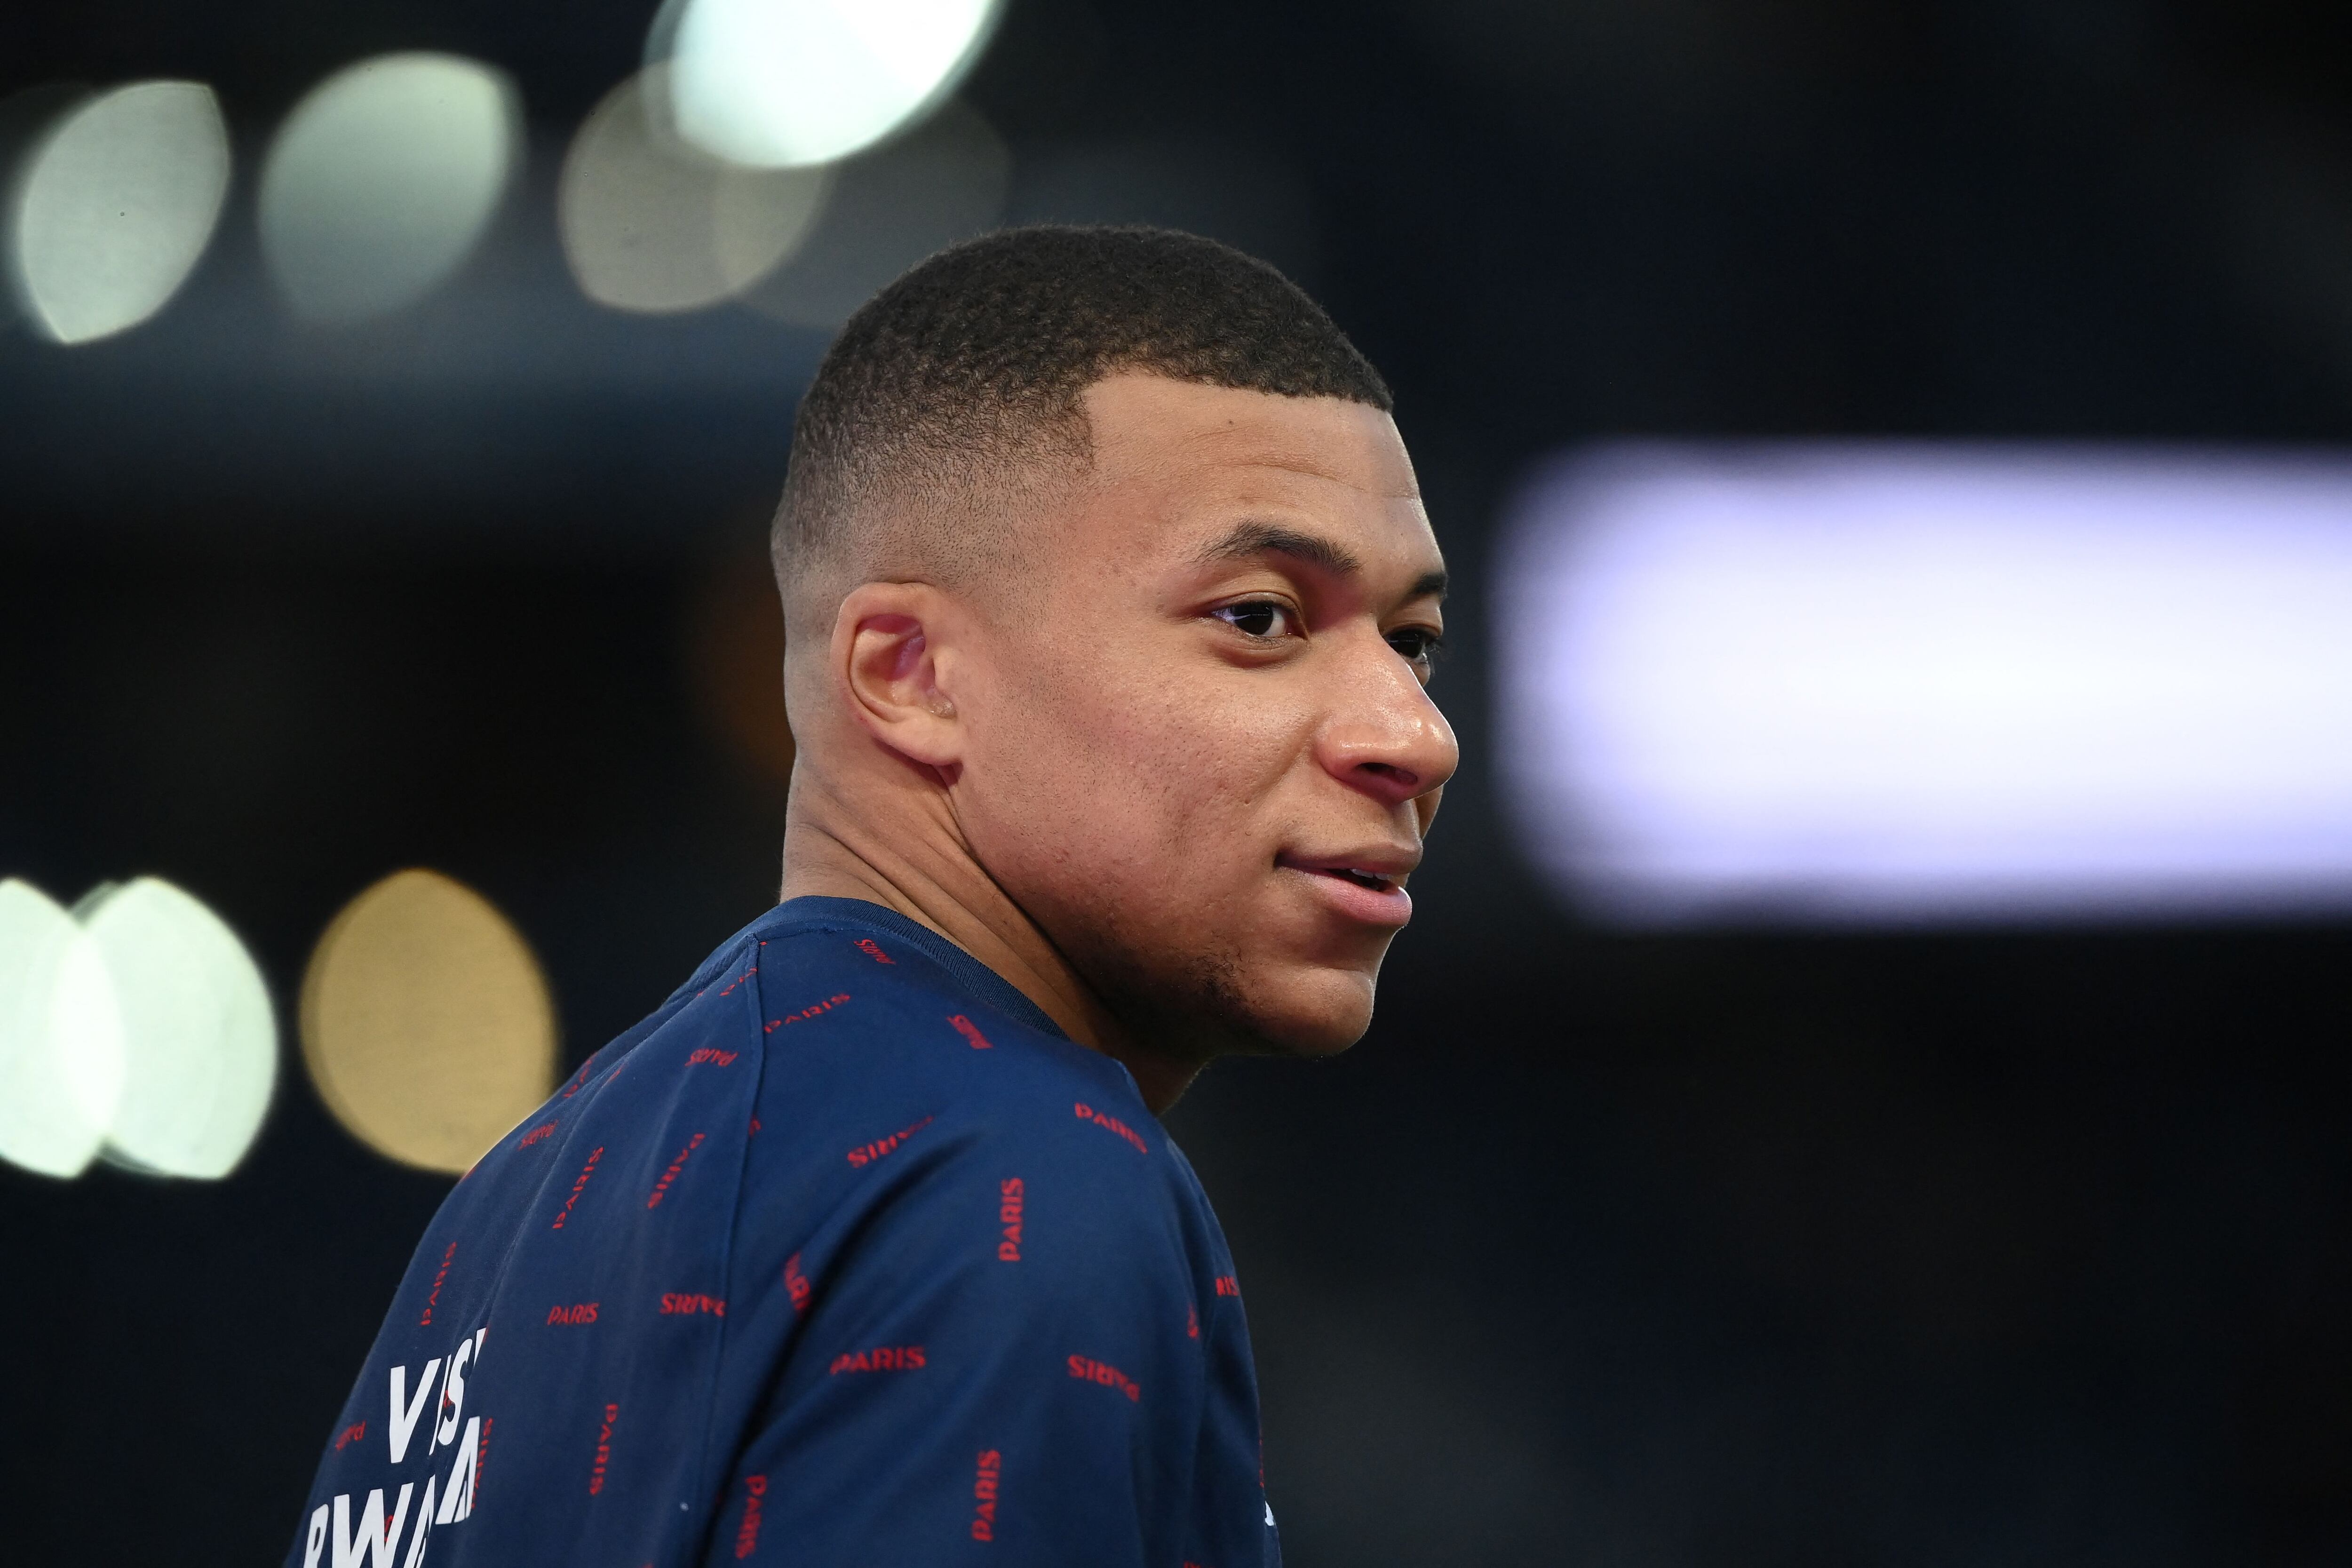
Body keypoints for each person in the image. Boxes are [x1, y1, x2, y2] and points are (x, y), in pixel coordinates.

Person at [284, 224, 1456, 1568]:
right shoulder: (1016, 1178)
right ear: (910, 675)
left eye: (1414, 642)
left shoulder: (521, 1205)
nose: (1414, 734)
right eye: (1259, 617)